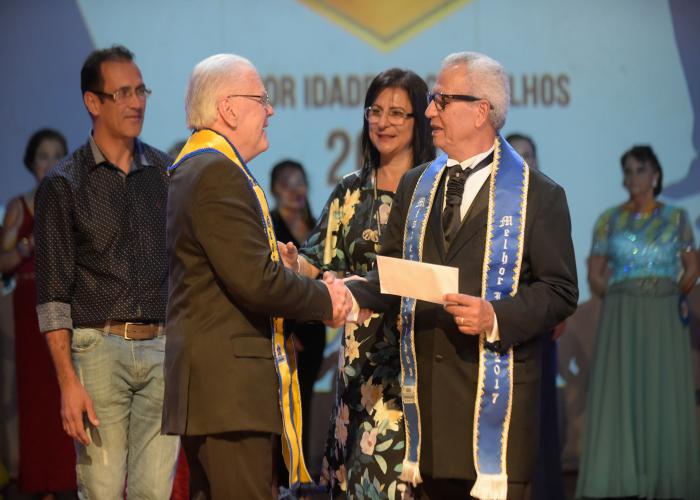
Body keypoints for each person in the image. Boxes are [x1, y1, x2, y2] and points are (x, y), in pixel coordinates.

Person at [345, 52, 578, 500]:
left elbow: (560, 291)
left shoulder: (538, 194)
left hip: (494, 415)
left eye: (441, 100)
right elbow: (393, 274)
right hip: (427, 413)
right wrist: (341, 294)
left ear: (480, 111)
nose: (429, 112)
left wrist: (496, 316)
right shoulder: (416, 184)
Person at [162, 53, 351, 499]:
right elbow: (255, 282)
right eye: (262, 100)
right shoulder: (216, 172)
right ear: (228, 109)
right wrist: (326, 300)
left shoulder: (198, 166)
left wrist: (278, 267)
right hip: (229, 391)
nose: (271, 111)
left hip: (216, 389)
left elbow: (235, 270)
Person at [279, 68, 435, 498]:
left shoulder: (435, 191)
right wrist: (293, 264)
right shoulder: (351, 190)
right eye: (375, 111)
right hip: (358, 367)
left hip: (417, 360)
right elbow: (316, 259)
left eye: (397, 113)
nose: (383, 122)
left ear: (420, 121)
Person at [34, 45, 179, 499]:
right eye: (123, 94)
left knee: (154, 493)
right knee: (101, 490)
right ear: (93, 102)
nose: (136, 103)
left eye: (141, 91)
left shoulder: (166, 172)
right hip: (97, 350)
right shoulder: (64, 183)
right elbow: (53, 295)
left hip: (162, 348)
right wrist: (67, 381)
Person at [576, 145, 700, 500]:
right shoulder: (609, 219)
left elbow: (692, 268)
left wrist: (669, 293)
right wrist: (618, 296)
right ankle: (622, 478)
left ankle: (664, 477)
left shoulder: (677, 218)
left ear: (656, 175)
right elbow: (595, 273)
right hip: (623, 315)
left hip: (662, 314)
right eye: (628, 170)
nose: (633, 177)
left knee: (662, 389)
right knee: (624, 389)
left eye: (640, 170)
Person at [0, 129, 76, 498]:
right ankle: (35, 480)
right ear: (32, 162)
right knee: (33, 395)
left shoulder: (73, 202)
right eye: (43, 155)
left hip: (66, 307)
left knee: (65, 390)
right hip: (29, 309)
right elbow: (3, 261)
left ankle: (64, 479)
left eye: (57, 155)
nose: (50, 162)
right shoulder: (19, 206)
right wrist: (27, 245)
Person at [505, 132, 565, 500]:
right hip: (495, 325)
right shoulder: (488, 203)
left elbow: (558, 274)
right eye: (515, 154)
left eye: (528, 154)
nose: (522, 161)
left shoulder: (547, 201)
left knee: (540, 418)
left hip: (538, 325)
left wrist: (557, 310)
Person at [269, 160, 326, 462]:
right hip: (283, 332)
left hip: (314, 331)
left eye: (300, 182)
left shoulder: (317, 226)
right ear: (274, 190)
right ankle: (281, 475)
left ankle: (301, 472)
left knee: (305, 402)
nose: (296, 190)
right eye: (287, 184)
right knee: (281, 408)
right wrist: (286, 330)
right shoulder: (269, 226)